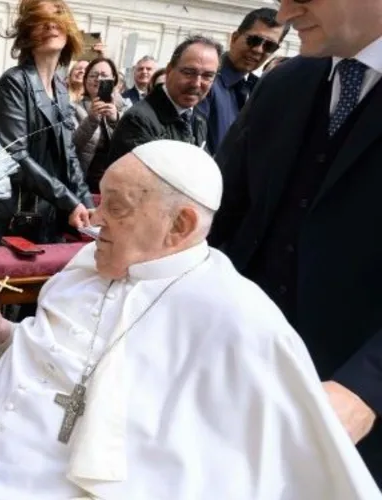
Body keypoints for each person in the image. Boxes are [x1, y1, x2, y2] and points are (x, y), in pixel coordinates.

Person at [0, 140, 382, 500]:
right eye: (100, 199)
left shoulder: (236, 315)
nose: (92, 220)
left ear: (180, 226)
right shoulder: (88, 262)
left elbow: (240, 461)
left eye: (118, 208)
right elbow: (57, 358)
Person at [210, 0, 382, 486]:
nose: (285, 12)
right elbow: (222, 215)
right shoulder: (284, 83)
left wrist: (368, 388)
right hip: (239, 380)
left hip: (354, 416)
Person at [0, 0, 93, 246]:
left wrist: (86, 202)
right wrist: (69, 200)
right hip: (16, 217)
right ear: (27, 33)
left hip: (50, 215)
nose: (50, 27)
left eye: (57, 20)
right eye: (40, 21)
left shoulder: (60, 86)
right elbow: (17, 157)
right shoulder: (14, 82)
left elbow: (69, 154)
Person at [107, 35, 219, 164]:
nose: (196, 83)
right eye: (189, 72)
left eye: (208, 76)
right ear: (169, 70)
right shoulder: (138, 120)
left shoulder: (198, 118)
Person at [198, 8, 287, 154]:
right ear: (234, 38)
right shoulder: (204, 80)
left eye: (269, 46)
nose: (258, 50)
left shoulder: (261, 90)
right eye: (254, 40)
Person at [70, 57, 131, 192]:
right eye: (93, 75)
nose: (98, 79)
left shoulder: (126, 107)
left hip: (119, 180)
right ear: (85, 80)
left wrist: (116, 119)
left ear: (114, 79)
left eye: (104, 75)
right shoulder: (73, 108)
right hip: (86, 181)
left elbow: (132, 143)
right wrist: (91, 119)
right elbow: (72, 145)